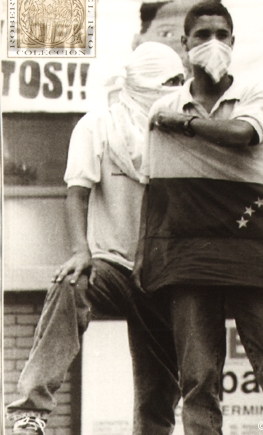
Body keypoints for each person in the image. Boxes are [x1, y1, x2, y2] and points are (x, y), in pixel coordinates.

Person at [147, 0, 263, 435]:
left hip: (253, 247)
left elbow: (244, 134)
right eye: (202, 35)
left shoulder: (251, 93)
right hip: (191, 251)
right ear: (184, 43)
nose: (213, 43)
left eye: (222, 34)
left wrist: (184, 126)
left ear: (234, 42)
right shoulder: (162, 105)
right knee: (198, 376)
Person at [7, 42, 185, 435]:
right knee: (71, 285)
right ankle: (29, 412)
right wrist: (80, 251)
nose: (176, 89)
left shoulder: (182, 130)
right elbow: (77, 191)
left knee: (158, 393)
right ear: (141, 84)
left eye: (180, 81)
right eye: (167, 82)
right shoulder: (98, 125)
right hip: (113, 266)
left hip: (163, 274)